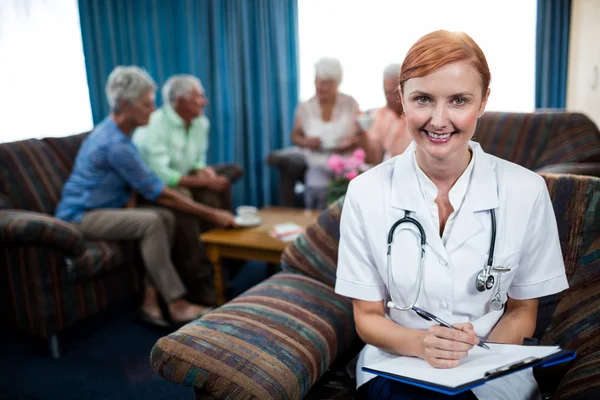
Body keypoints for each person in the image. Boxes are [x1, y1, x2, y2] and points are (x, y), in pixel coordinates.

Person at [334, 30, 569, 400]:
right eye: (423, 99)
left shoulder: (526, 190)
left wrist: (469, 357)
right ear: (402, 100)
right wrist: (420, 343)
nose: (439, 120)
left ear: (483, 101)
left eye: (459, 100)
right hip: (397, 363)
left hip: (492, 364)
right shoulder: (365, 192)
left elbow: (523, 310)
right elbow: (367, 317)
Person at [55, 66, 237, 328]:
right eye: (147, 104)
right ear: (125, 105)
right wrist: (213, 214)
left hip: (106, 209)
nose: (154, 110)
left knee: (163, 218)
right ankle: (177, 303)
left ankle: (150, 302)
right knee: (153, 220)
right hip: (79, 216)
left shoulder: (119, 134)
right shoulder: (115, 144)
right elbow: (161, 192)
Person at [133, 74, 243, 306]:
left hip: (181, 181)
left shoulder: (201, 123)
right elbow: (162, 176)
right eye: (199, 96)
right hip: (154, 189)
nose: (205, 101)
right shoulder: (154, 124)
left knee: (211, 193)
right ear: (180, 100)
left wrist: (202, 172)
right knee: (186, 203)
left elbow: (195, 159)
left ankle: (219, 271)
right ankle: (199, 283)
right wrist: (202, 181)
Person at [290, 57, 361, 210]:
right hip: (318, 163)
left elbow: (361, 134)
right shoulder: (305, 107)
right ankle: (316, 229)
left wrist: (351, 142)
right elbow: (295, 136)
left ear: (336, 83)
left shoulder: (350, 103)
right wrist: (306, 141)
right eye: (317, 81)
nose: (319, 87)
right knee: (317, 187)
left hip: (346, 163)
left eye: (325, 83)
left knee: (351, 190)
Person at [361, 63, 413, 164]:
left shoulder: (417, 116)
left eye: (393, 93)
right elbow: (373, 159)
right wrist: (362, 137)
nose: (389, 98)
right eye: (386, 92)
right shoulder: (378, 116)